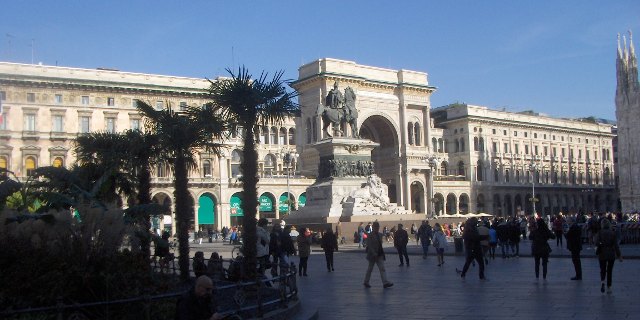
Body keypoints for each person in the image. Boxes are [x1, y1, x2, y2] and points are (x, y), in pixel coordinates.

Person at [595, 218, 623, 294]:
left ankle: (602, 282)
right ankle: (609, 287)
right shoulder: (612, 233)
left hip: (602, 253)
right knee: (610, 271)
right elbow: (616, 245)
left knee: (602, 269)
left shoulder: (600, 233)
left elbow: (596, 243)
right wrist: (619, 255)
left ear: (602, 225)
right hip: (611, 253)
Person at [363, 221, 393, 288]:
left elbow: (380, 244)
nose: (377, 228)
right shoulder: (370, 235)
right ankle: (366, 282)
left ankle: (385, 282)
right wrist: (374, 253)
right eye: (375, 227)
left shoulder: (380, 234)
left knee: (382, 268)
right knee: (370, 269)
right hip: (372, 255)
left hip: (379, 254)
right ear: (373, 227)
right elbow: (369, 245)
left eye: (378, 227)